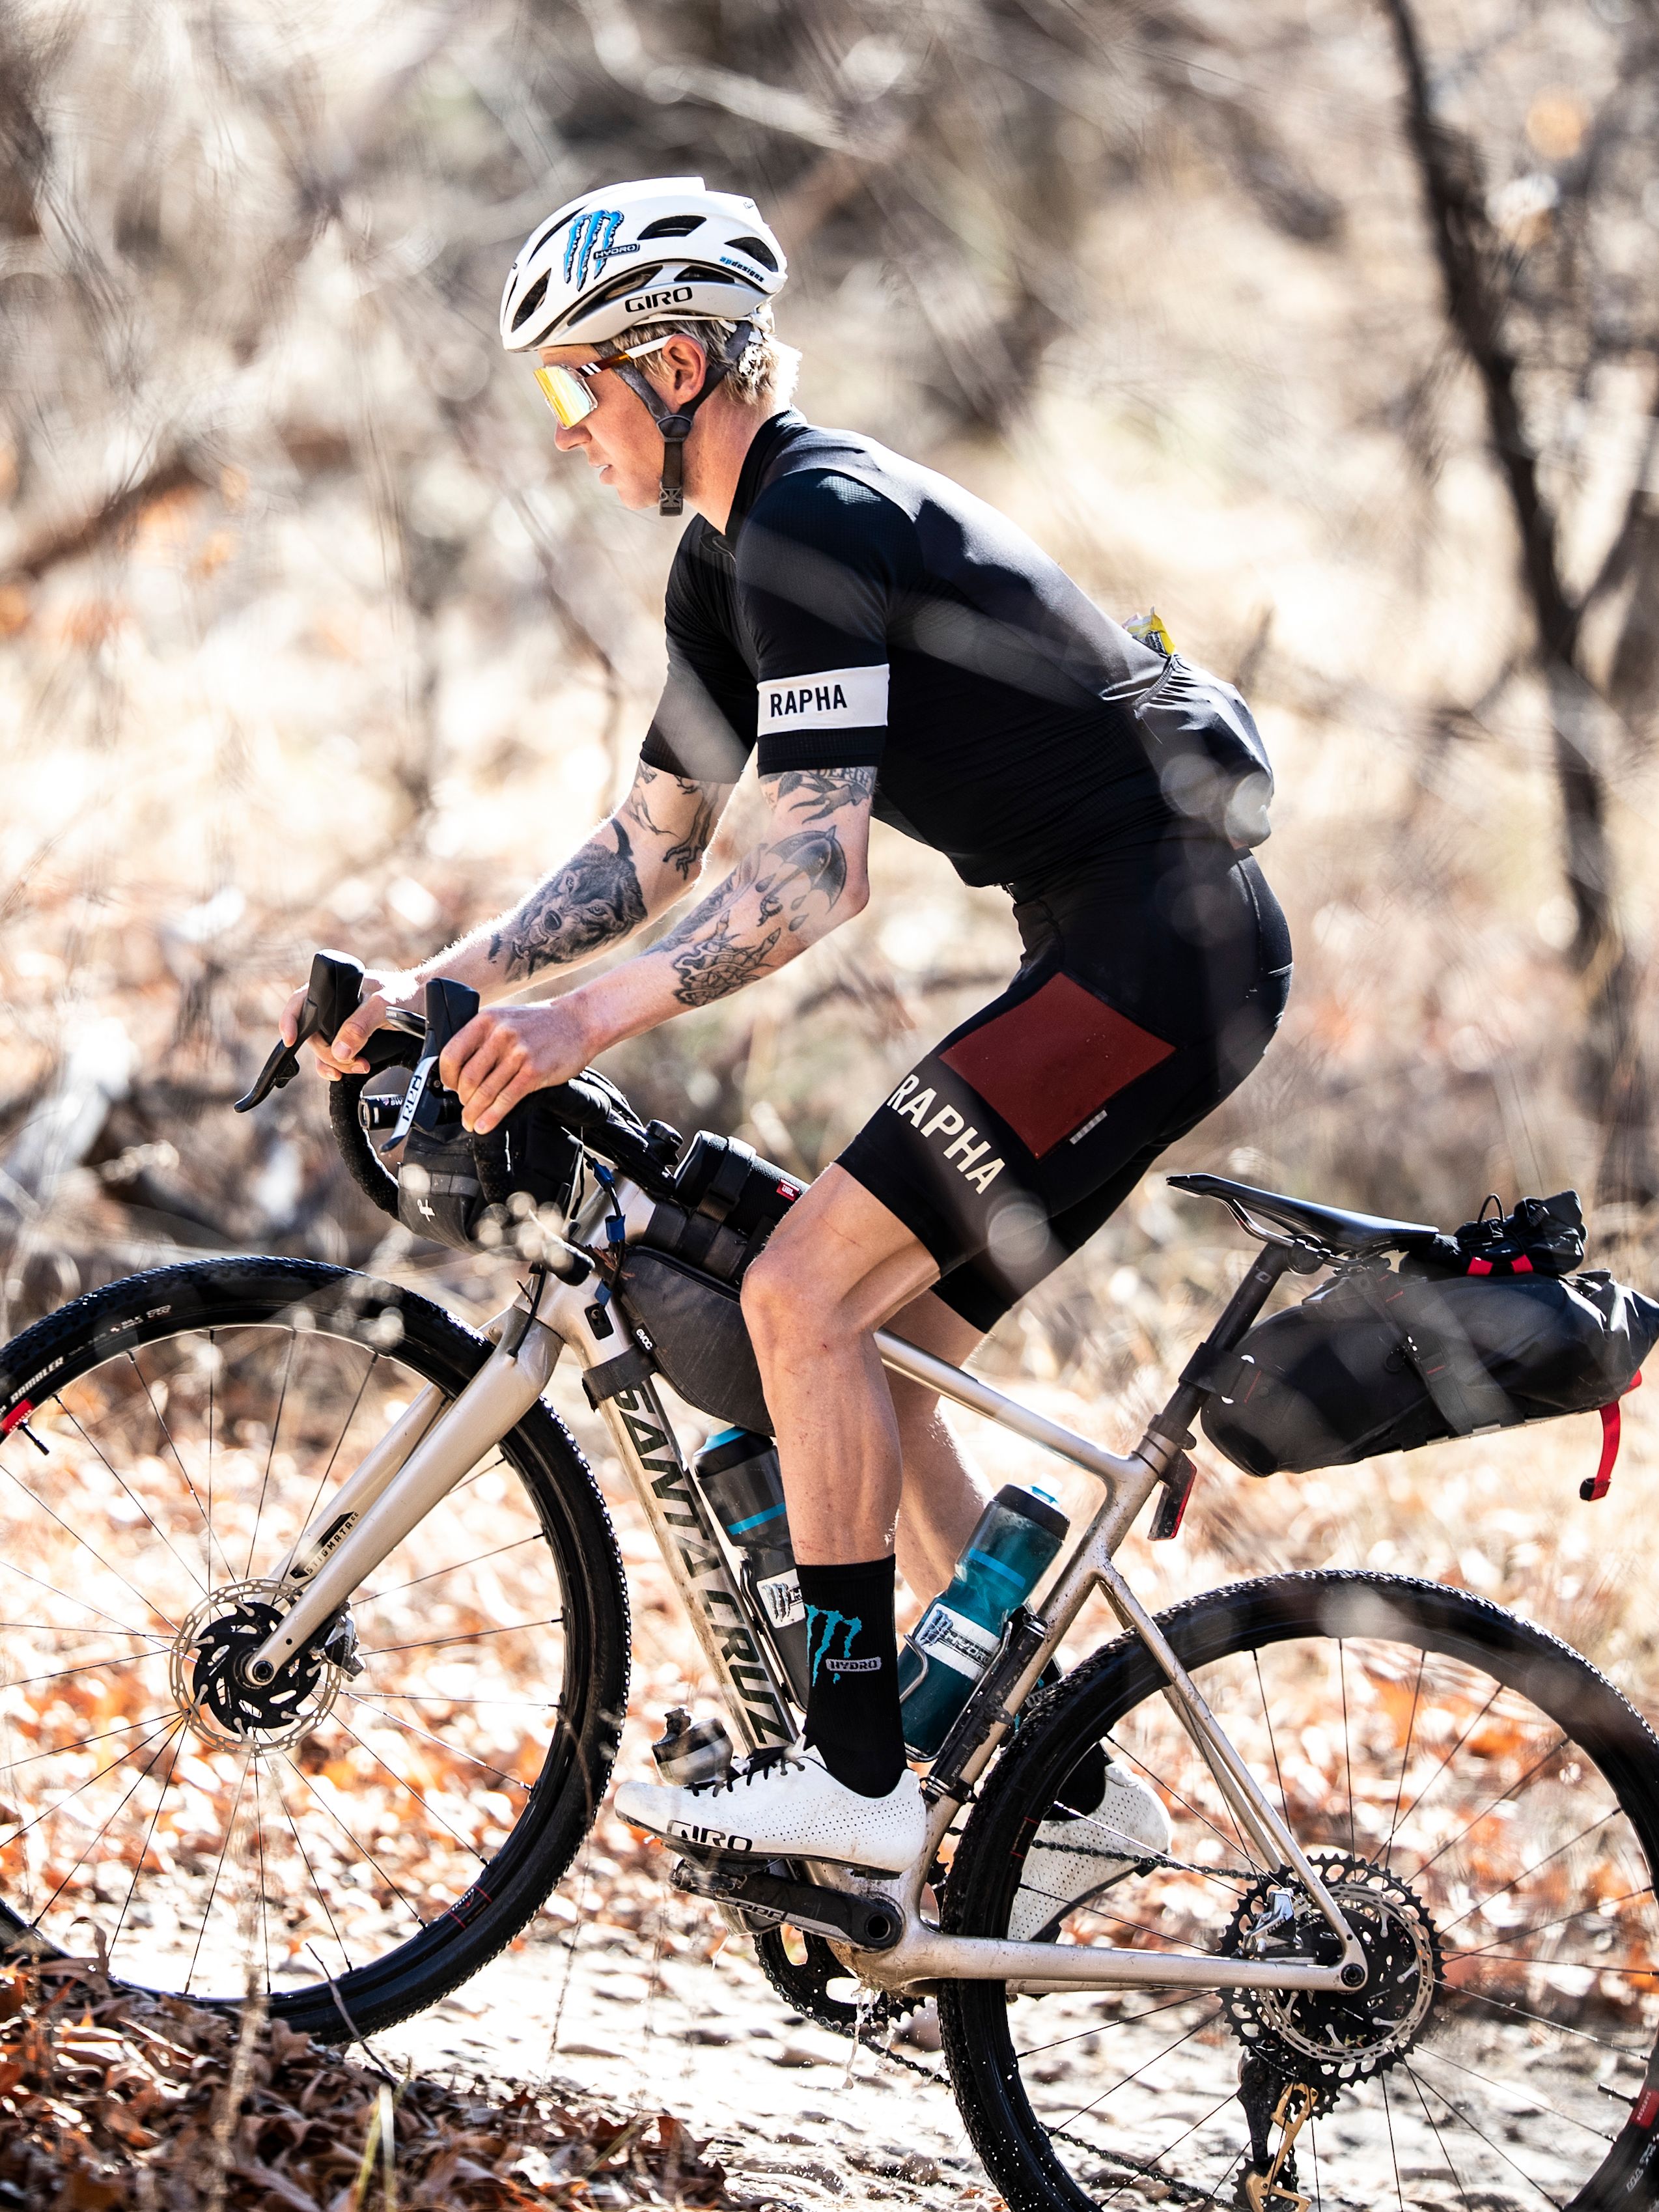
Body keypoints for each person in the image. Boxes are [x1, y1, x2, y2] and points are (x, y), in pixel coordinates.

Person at [283, 175, 1292, 1877]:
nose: (560, 427)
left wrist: (586, 1022)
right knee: (877, 1372)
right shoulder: (722, 568)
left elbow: (815, 875)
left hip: (1158, 956)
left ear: (672, 363)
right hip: (1116, 951)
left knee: (801, 1292)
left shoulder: (815, 521)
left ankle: (852, 1776)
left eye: (569, 383)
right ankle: (1062, 1793)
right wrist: (441, 990)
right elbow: (648, 849)